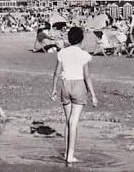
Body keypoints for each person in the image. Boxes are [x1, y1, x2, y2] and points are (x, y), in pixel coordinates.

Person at [51, 27, 98, 164]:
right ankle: (70, 156)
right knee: (74, 122)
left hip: (65, 86)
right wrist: (93, 96)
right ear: (81, 40)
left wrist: (53, 89)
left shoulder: (62, 53)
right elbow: (87, 76)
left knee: (67, 121)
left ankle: (66, 153)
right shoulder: (83, 54)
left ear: (69, 39)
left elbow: (56, 73)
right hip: (78, 86)